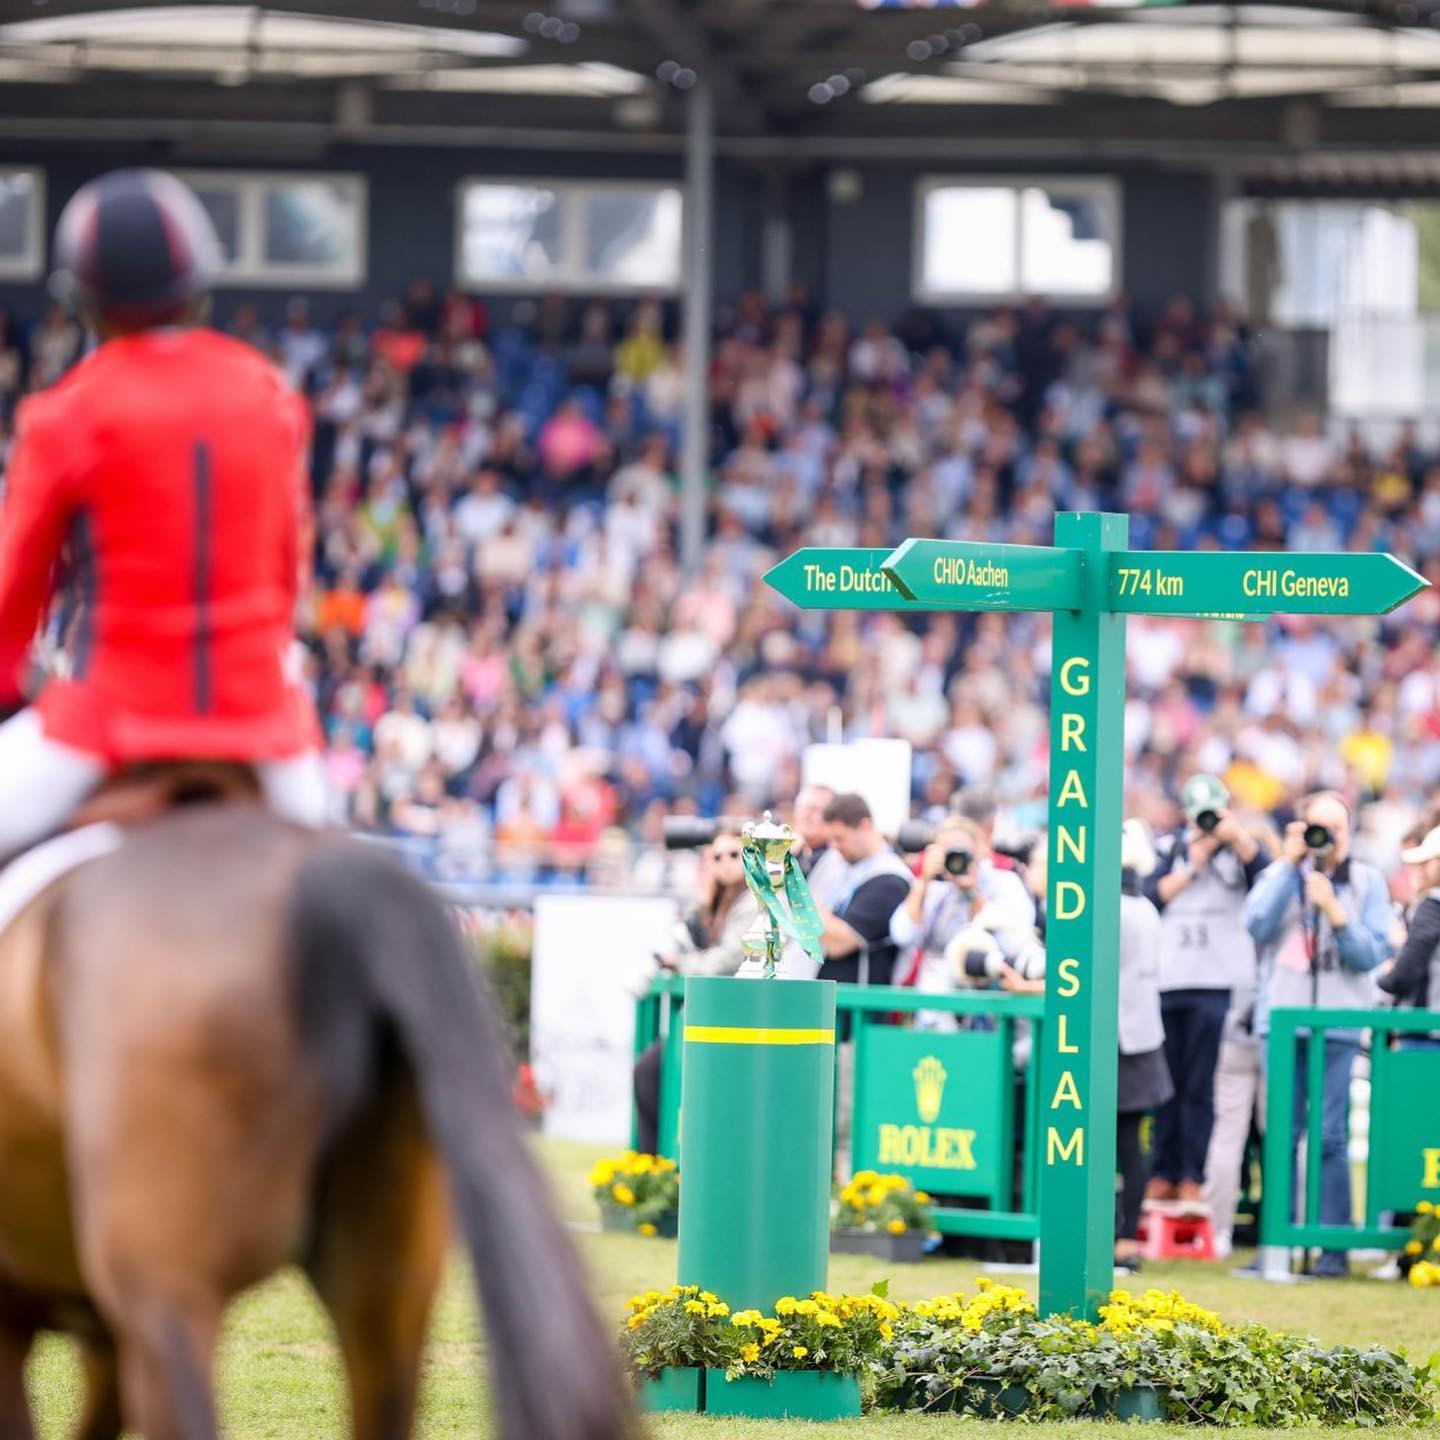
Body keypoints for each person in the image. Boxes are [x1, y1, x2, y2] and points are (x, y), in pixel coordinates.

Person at [0, 169, 325, 858]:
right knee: (360, 902)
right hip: (262, 722)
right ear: (197, 287)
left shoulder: (65, 414)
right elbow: (286, 574)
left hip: (109, 721)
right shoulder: (270, 395)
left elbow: (14, 594)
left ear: (88, 301)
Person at [1244, 790, 1391, 1277]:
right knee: (1280, 1136)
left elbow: (1370, 956)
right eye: (1316, 827)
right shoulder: (1283, 875)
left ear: (1350, 833)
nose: (1325, 839)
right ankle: (1277, 1249)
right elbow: (1256, 923)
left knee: (1330, 1136)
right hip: (1282, 1022)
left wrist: (1335, 911)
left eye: (1336, 829)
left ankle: (1332, 1250)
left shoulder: (1367, 882)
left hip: (1340, 1022)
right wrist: (1289, 866)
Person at [1144, 774, 1268, 1208]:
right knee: (1166, 1085)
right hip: (1170, 979)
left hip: (1217, 983)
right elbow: (1150, 896)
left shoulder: (1239, 853)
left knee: (1201, 1086)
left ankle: (1192, 1174)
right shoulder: (1169, 849)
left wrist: (1236, 838)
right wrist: (1194, 861)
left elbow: (1267, 881)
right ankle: (1163, 1170)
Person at [632, 826, 760, 1154]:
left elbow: (728, 960)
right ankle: (656, 1167)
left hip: (737, 1018)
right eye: (717, 856)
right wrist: (705, 899)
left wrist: (682, 964)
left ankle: (662, 1167)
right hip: (714, 1017)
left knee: (660, 1079)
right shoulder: (714, 904)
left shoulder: (754, 902)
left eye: (735, 854)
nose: (726, 863)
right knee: (651, 1076)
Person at [888, 814, 1035, 1027]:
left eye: (960, 851)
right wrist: (923, 881)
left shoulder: (1004, 883)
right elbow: (902, 935)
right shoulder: (937, 891)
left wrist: (972, 893)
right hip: (936, 1012)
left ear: (982, 850)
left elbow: (1009, 941)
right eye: (945, 852)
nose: (953, 859)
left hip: (990, 1012)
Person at [1115, 820, 1174, 1273]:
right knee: (1131, 1144)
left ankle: (1122, 1236)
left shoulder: (1117, 911)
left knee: (1125, 1147)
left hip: (1121, 1040)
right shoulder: (1146, 908)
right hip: (1139, 1035)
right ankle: (1123, 1236)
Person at [816, 793, 914, 986]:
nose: (835, 847)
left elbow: (839, 943)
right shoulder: (844, 867)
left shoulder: (891, 880)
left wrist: (803, 906)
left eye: (839, 838)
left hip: (861, 1004)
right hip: (837, 998)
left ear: (864, 826)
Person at [1377, 823, 1440, 1046]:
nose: (1419, 870)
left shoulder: (1432, 905)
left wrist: (1382, 980)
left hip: (1426, 1030)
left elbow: (1405, 972)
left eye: (1427, 862)